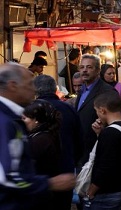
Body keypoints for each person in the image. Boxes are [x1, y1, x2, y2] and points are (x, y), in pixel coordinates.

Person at [0, 62, 75, 209]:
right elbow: (5, 178)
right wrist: (50, 183)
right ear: (13, 85)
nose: (34, 89)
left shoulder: (10, 118)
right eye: (29, 84)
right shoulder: (4, 121)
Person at [33, 75, 82, 209]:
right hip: (65, 170)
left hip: (40, 175)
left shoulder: (31, 110)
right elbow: (79, 141)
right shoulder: (69, 109)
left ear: (35, 90)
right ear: (55, 89)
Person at [85, 90, 121, 210]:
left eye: (97, 111)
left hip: (109, 193)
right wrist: (100, 134)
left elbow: (105, 167)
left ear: (103, 110)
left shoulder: (109, 134)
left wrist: (91, 192)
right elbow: (119, 154)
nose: (97, 115)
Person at [23, 99, 64, 210]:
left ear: (36, 120)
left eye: (25, 118)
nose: (23, 121)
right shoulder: (43, 136)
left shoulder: (40, 140)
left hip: (42, 195)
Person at [76, 54, 115, 167]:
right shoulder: (82, 89)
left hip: (97, 147)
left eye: (89, 67)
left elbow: (112, 119)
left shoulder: (106, 91)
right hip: (82, 147)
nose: (84, 70)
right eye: (82, 67)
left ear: (98, 70)